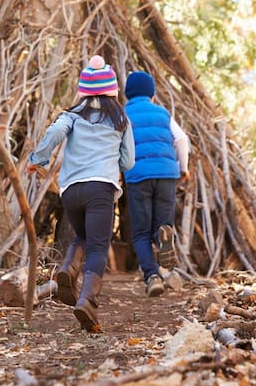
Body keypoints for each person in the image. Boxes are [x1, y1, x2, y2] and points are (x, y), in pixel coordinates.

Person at [27, 55, 134, 333]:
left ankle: (68, 269)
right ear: (112, 90)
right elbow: (129, 162)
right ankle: (87, 300)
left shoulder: (72, 116)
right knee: (98, 246)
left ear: (83, 91)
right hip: (101, 187)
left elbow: (55, 133)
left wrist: (37, 159)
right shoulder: (121, 118)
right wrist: (113, 163)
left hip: (70, 190)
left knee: (83, 237)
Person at [123, 71, 190, 298]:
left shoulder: (124, 114)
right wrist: (184, 167)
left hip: (138, 175)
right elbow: (181, 139)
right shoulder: (163, 113)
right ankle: (164, 236)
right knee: (161, 224)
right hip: (166, 174)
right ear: (151, 94)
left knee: (141, 232)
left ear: (127, 94)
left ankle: (152, 277)